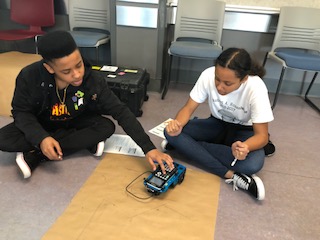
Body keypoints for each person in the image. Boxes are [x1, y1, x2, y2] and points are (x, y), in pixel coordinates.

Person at [0, 30, 173, 179]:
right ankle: (63, 143)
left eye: (79, 65)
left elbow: (120, 111)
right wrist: (41, 137)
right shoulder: (29, 76)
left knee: (105, 127)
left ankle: (39, 154)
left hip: (76, 120)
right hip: (42, 122)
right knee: (4, 139)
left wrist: (148, 148)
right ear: (50, 68)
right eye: (67, 71)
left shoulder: (92, 79)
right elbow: (21, 112)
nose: (77, 75)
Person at [162, 48, 274, 200]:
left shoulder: (256, 87)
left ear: (244, 79)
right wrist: (177, 124)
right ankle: (230, 175)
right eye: (217, 79)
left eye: (228, 83)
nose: (220, 87)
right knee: (169, 133)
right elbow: (188, 108)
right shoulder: (208, 74)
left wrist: (246, 147)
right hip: (216, 124)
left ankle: (188, 147)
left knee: (252, 165)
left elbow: (261, 136)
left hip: (244, 132)